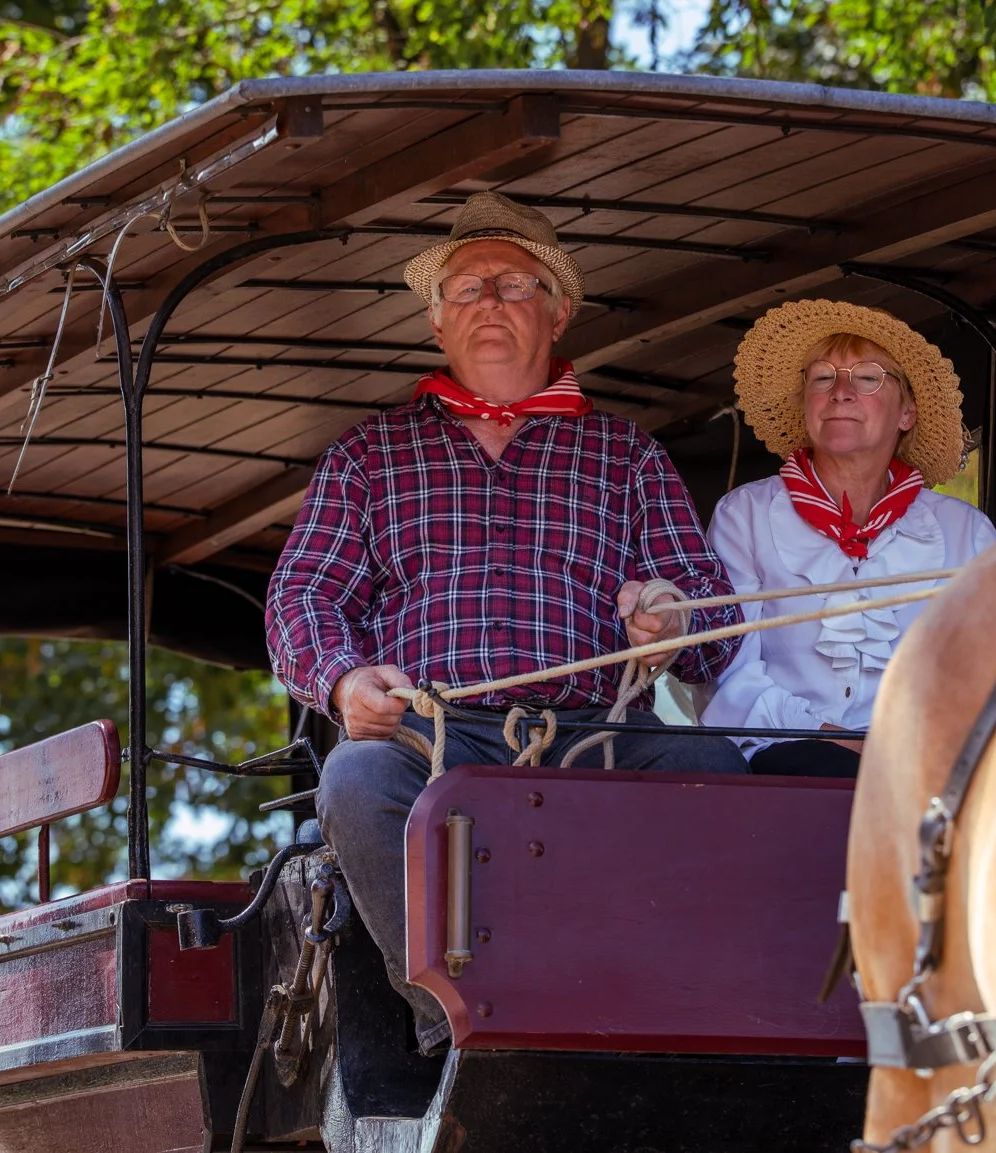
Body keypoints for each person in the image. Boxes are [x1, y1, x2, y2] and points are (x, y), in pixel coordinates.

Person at [265, 191, 748, 1053]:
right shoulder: (367, 455)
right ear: (436, 322)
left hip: (597, 734)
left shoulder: (627, 454)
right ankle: (453, 1028)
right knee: (352, 780)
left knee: (707, 763)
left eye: (514, 285)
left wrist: (669, 616)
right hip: (431, 737)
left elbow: (715, 615)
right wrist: (343, 678)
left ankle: (667, 1017)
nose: (488, 303)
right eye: (467, 289)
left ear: (558, 310)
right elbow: (301, 596)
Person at [701, 300, 996, 778]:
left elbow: (985, 678)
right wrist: (830, 738)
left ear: (906, 413)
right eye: (822, 378)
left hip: (923, 765)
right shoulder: (746, 516)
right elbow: (727, 670)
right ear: (807, 406)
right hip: (783, 755)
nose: (840, 392)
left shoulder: (965, 533)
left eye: (868, 378)